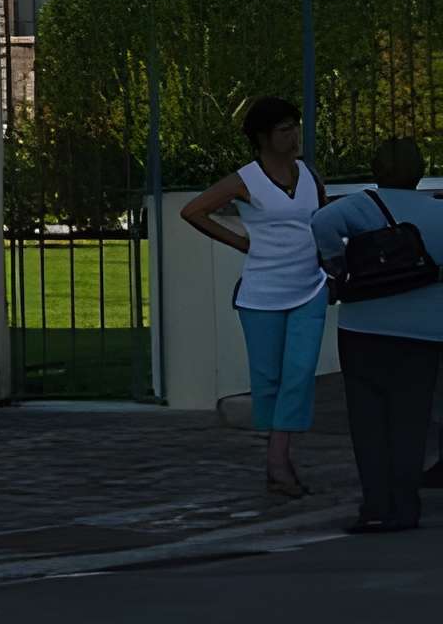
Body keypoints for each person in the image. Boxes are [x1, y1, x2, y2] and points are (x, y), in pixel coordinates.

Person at [180, 93, 327, 497]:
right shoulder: (246, 180)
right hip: (262, 293)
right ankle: (278, 459)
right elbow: (193, 211)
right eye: (284, 129)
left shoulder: (310, 175)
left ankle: (278, 459)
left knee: (300, 372)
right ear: (263, 137)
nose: (294, 135)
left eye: (295, 126)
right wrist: (240, 243)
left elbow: (322, 219)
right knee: (269, 378)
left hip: (309, 287)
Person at [308, 135, 442, 533]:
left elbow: (321, 223)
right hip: (425, 333)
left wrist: (337, 265)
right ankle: (405, 505)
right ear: (420, 172)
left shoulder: (360, 205)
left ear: (376, 169)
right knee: (410, 422)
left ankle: (375, 504)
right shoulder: (437, 213)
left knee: (367, 421)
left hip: (362, 327)